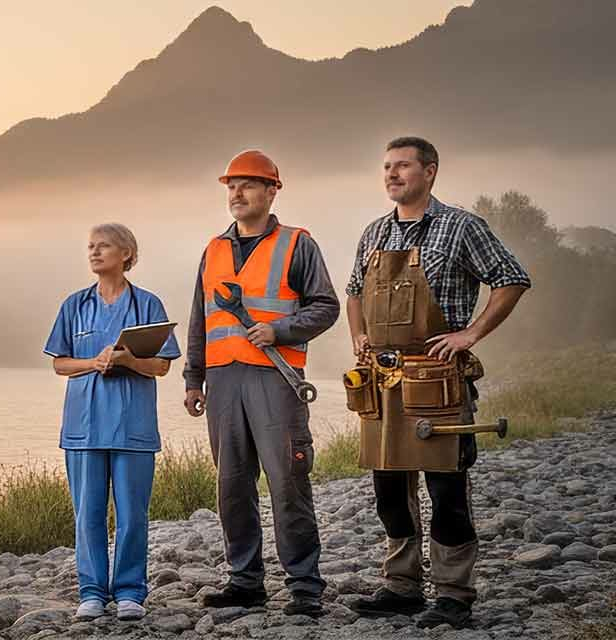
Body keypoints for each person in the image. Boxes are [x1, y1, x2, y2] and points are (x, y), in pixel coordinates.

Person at [344, 137, 530, 629]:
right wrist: (359, 335)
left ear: (430, 171)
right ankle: (401, 586)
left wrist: (470, 334)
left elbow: (511, 279)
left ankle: (453, 593)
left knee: (446, 485)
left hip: (437, 379)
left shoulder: (462, 226)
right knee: (388, 486)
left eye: (403, 165)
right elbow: (354, 292)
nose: (392, 174)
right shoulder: (374, 232)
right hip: (381, 381)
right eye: (387, 166)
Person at [183, 150, 339, 616]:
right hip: (222, 382)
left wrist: (280, 330)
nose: (237, 192)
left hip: (276, 379)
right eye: (231, 185)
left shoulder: (297, 244)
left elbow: (326, 306)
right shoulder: (213, 250)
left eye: (248, 184)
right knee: (232, 485)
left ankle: (305, 587)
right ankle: (245, 581)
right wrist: (193, 378)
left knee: (288, 482)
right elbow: (199, 320)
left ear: (272, 191)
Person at [44, 222, 180, 622]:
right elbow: (59, 364)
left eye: (103, 246)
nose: (94, 252)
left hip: (132, 426)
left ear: (126, 254)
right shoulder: (74, 305)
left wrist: (129, 361)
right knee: (87, 514)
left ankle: (130, 591)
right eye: (91, 246)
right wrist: (95, 362)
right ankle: (91, 592)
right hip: (84, 427)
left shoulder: (148, 305)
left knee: (132, 514)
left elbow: (161, 366)